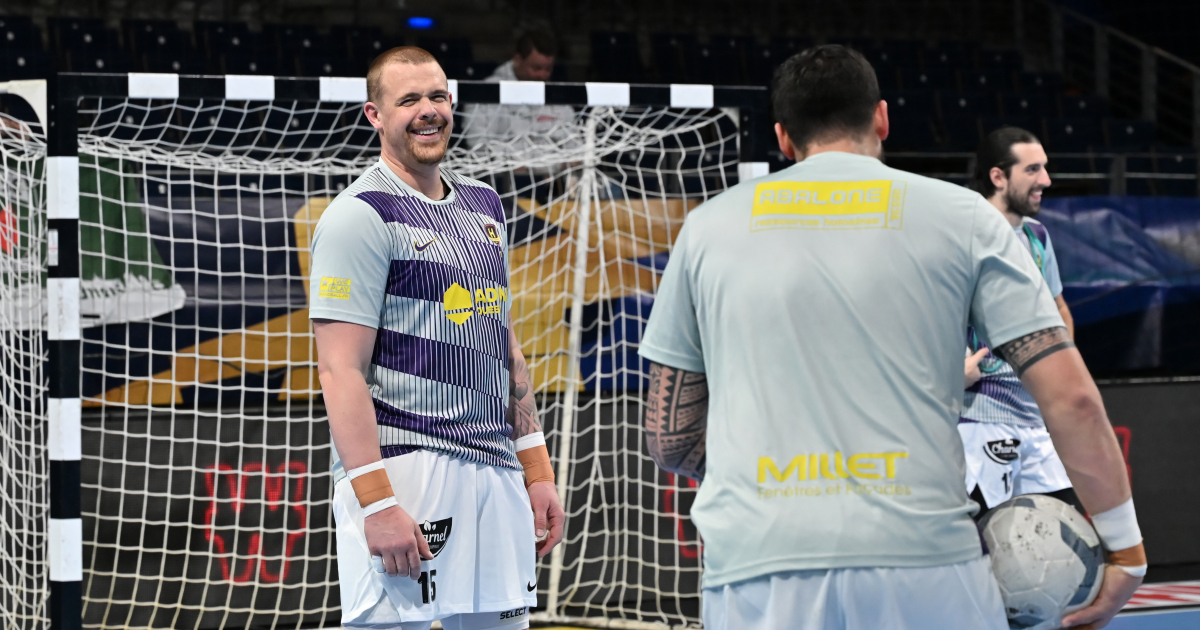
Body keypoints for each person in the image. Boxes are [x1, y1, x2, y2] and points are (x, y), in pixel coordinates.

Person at [639, 45, 1144, 630]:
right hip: (926, 562)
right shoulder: (966, 217)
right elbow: (1072, 399)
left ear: (782, 137)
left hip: (757, 566)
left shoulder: (706, 228)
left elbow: (670, 439)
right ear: (881, 118)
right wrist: (1126, 551)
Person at [308, 46, 564, 630]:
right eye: (409, 100)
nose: (428, 110)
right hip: (406, 468)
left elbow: (503, 345)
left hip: (495, 469)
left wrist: (538, 471)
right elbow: (339, 371)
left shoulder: (484, 204)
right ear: (375, 115)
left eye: (437, 96)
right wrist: (377, 502)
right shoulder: (358, 215)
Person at [961, 126, 1082, 521]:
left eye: (1044, 168)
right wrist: (950, 367)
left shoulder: (1037, 236)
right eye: (1032, 170)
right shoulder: (962, 236)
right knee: (983, 539)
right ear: (998, 176)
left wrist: (1063, 372)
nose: (1045, 180)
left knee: (1064, 535)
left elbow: (1059, 310)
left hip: (1037, 416)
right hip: (982, 417)